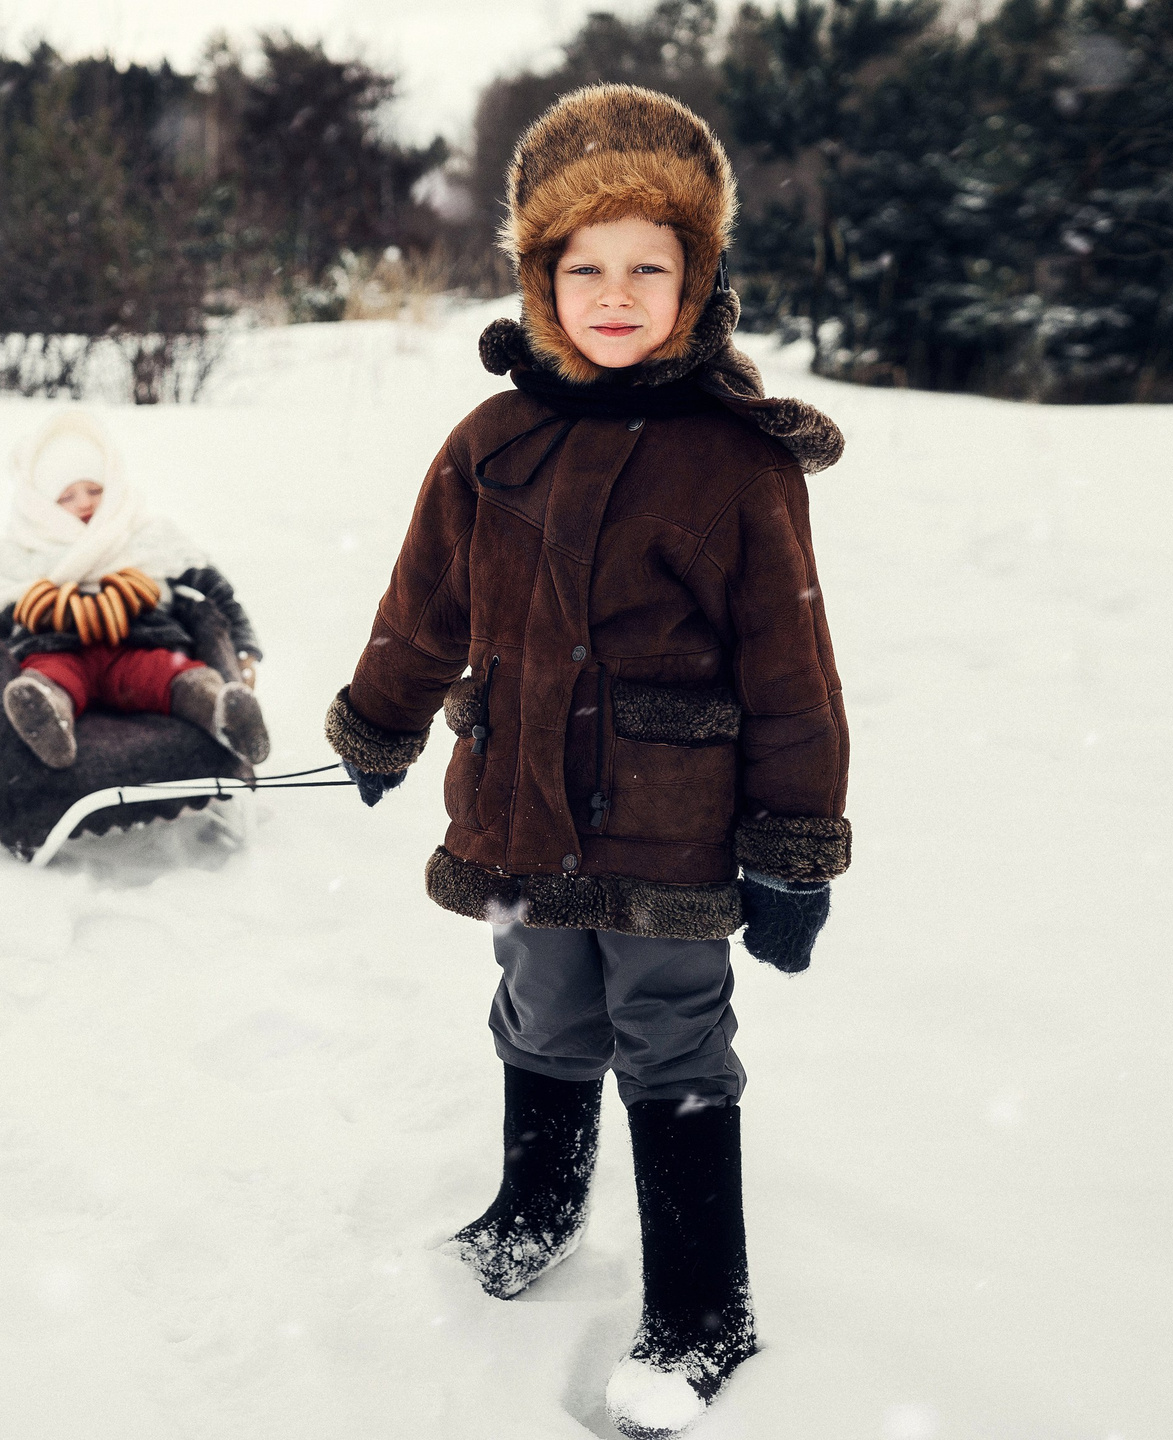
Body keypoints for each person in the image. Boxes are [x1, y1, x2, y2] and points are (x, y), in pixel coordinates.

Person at [318, 86, 850, 1437]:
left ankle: (699, 1311)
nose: (616, 296)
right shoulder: (492, 444)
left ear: (698, 278)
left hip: (670, 822)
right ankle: (536, 1207)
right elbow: (424, 605)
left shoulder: (737, 466)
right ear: (541, 278)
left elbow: (792, 675)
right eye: (585, 268)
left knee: (670, 1036)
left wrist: (792, 845)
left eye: (648, 269)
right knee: (541, 1008)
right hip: (516, 808)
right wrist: (383, 717)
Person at [0, 410, 266, 783]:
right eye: (67, 496)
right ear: (41, 503)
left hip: (140, 643)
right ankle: (46, 718)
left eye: (94, 490)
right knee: (49, 677)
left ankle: (220, 711)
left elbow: (216, 594)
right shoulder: (23, 553)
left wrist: (244, 649)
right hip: (56, 648)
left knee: (170, 673)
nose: (85, 504)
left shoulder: (145, 534)